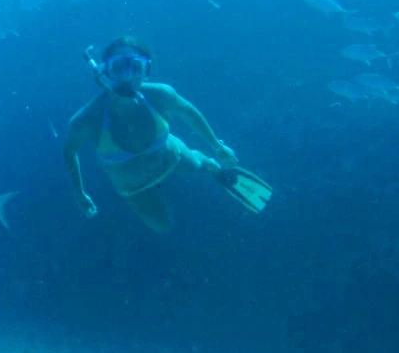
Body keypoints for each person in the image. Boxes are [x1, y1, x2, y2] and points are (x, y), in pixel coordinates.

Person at [64, 36, 272, 233]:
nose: (127, 77)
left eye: (136, 67)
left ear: (147, 71)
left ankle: (212, 167)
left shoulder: (160, 94)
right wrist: (79, 194)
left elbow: (189, 113)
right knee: (163, 227)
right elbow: (69, 153)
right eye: (118, 67)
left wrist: (217, 146)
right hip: (136, 186)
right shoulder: (86, 119)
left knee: (205, 166)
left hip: (173, 157)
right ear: (104, 73)